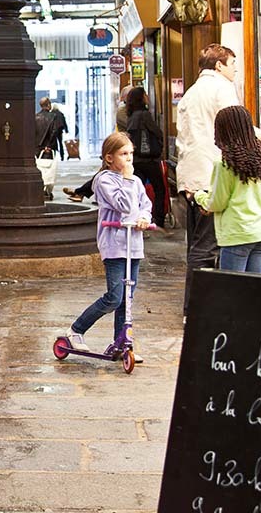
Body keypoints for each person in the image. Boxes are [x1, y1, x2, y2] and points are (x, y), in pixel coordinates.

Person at [61, 131, 152, 356]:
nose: (129, 159)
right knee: (114, 297)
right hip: (114, 245)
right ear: (109, 158)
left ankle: (122, 342)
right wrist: (128, 180)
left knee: (127, 300)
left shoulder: (136, 181)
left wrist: (144, 218)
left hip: (134, 245)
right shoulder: (103, 180)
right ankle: (76, 330)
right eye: (123, 154)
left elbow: (144, 205)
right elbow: (123, 204)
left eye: (131, 153)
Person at [175, 44, 239, 315]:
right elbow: (236, 126)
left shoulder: (190, 93)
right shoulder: (222, 88)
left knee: (197, 244)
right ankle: (196, 311)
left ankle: (196, 308)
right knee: (206, 247)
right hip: (210, 177)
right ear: (219, 66)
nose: (235, 69)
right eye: (233, 64)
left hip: (191, 175)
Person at [194, 106, 261, 274]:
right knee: (252, 290)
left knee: (232, 291)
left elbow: (217, 203)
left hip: (237, 234)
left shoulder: (225, 163)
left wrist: (198, 196)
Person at [125, 87, 166, 227]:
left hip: (136, 159)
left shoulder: (131, 115)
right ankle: (158, 220)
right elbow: (156, 132)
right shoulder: (144, 114)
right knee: (159, 189)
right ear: (141, 98)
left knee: (137, 190)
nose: (148, 96)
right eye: (145, 94)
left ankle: (135, 217)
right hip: (149, 159)